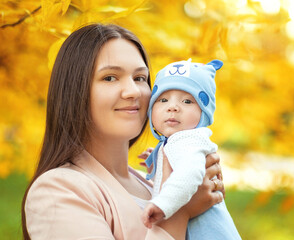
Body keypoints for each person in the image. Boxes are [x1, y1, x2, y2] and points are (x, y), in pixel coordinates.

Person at [21, 24, 225, 240]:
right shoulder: (57, 191)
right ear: (74, 91)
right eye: (110, 77)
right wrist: (179, 211)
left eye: (140, 78)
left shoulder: (152, 183)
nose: (134, 91)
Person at [141, 59, 241, 239]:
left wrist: (162, 204)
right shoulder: (175, 143)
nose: (173, 107)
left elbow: (189, 174)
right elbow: (174, 174)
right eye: (163, 99)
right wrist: (156, 164)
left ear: (204, 112)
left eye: (187, 101)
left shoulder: (187, 140)